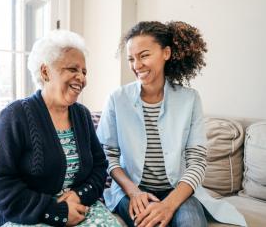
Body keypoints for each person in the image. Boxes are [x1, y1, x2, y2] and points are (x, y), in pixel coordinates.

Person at [96, 21, 246, 227]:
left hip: (177, 190)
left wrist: (169, 204)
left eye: (144, 55)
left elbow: (197, 161)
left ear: (166, 53)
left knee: (191, 223)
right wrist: (133, 192)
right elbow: (107, 154)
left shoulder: (190, 99)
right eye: (131, 58)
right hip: (132, 190)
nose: (136, 65)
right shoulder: (117, 98)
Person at [0, 30, 121, 227]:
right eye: (73, 69)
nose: (81, 78)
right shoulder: (16, 115)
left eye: (84, 72)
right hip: (26, 213)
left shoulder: (82, 115)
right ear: (45, 72)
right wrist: (55, 211)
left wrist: (78, 195)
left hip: (79, 207)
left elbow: (99, 166)